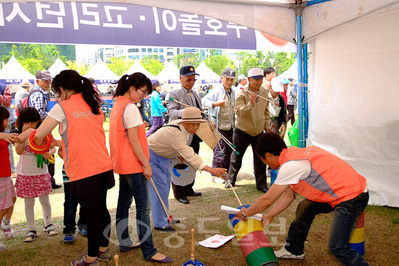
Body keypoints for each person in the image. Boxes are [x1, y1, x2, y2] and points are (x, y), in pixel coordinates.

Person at [235, 133, 370, 266]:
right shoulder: (292, 154)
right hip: (344, 192)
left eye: (262, 159)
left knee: (338, 247)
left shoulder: (291, 165)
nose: (264, 163)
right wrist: (270, 215)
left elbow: (267, 200)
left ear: (269, 155)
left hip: (352, 196)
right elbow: (289, 195)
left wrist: (245, 213)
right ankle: (294, 250)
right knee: (305, 208)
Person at [31, 70, 115, 266]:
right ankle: (103, 249)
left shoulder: (62, 107)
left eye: (57, 91)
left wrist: (37, 139)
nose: (57, 95)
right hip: (103, 164)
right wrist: (61, 144)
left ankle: (91, 258)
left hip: (84, 168)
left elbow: (39, 135)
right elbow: (82, 136)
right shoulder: (94, 105)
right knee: (101, 209)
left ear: (64, 88)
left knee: (93, 214)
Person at [109, 72, 173, 263]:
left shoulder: (118, 104)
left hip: (122, 164)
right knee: (143, 209)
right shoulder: (129, 107)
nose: (144, 96)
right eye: (143, 92)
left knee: (123, 205)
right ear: (132, 88)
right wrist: (146, 165)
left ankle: (124, 241)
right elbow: (134, 141)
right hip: (134, 165)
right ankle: (149, 251)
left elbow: (128, 135)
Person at [148, 107, 227, 231]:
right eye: (193, 124)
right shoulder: (177, 134)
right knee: (160, 190)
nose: (196, 127)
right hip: (151, 157)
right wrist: (212, 170)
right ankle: (160, 223)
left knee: (165, 188)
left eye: (198, 124)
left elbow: (177, 146)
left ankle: (166, 217)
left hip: (163, 158)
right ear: (185, 122)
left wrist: (177, 153)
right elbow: (190, 154)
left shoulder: (182, 128)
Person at [166, 66, 213, 203]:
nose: (191, 82)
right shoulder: (173, 94)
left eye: (193, 79)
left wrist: (209, 121)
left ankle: (189, 188)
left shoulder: (195, 94)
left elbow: (201, 112)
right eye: (188, 79)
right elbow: (172, 113)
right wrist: (187, 112)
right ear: (180, 78)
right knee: (180, 163)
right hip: (180, 135)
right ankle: (179, 192)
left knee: (192, 162)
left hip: (194, 135)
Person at [14, 107, 58, 242]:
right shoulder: (19, 135)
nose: (31, 125)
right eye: (27, 123)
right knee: (28, 203)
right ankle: (31, 229)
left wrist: (48, 153)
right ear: (21, 122)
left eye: (33, 123)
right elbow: (19, 151)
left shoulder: (42, 133)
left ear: (38, 122)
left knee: (44, 200)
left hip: (41, 172)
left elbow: (53, 147)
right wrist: (25, 133)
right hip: (25, 173)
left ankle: (48, 223)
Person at [225, 68, 272, 193]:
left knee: (260, 159)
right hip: (243, 131)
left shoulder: (263, 91)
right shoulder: (242, 93)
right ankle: (230, 180)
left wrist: (267, 125)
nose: (259, 82)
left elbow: (266, 111)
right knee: (236, 157)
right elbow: (239, 113)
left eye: (261, 79)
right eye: (256, 80)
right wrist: (250, 103)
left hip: (258, 131)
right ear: (249, 80)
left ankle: (261, 184)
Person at [202, 68, 237, 184]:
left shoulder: (234, 91)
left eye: (231, 80)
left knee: (229, 150)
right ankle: (215, 174)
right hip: (219, 126)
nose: (229, 82)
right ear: (222, 78)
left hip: (230, 125)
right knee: (220, 151)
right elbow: (203, 101)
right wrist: (216, 104)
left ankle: (224, 172)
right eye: (227, 79)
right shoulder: (216, 91)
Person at [29, 70, 61, 189]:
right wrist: (52, 116)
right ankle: (47, 181)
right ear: (38, 81)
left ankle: (48, 180)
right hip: (41, 131)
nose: (48, 83)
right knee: (45, 155)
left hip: (42, 130)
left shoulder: (41, 93)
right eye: (45, 81)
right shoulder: (38, 93)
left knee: (47, 155)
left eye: (49, 80)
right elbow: (38, 113)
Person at [59, 146, 88, 243]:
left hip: (84, 173)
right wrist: (70, 159)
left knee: (85, 201)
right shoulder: (66, 134)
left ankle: (83, 224)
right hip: (69, 175)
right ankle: (69, 230)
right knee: (70, 204)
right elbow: (60, 151)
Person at [0, 106, 18, 253]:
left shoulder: (3, 135)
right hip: (1, 177)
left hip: (5, 176)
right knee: (3, 207)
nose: (8, 121)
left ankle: (5, 224)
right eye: (6, 119)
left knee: (12, 200)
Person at [0, 83, 16, 178]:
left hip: (1, 121)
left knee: (7, 147)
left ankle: (12, 169)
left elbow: (7, 101)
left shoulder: (3, 86)